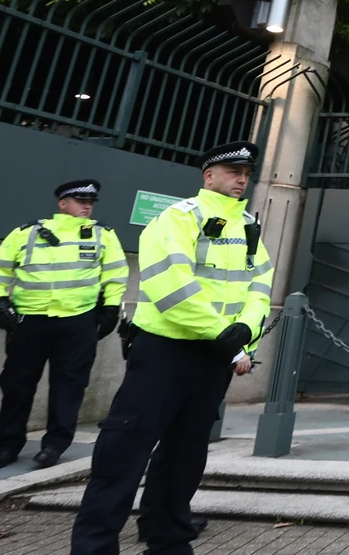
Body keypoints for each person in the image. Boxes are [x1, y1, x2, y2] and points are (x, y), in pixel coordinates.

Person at [71, 142, 274, 555]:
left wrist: (243, 335)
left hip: (214, 355)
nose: (241, 179)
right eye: (233, 171)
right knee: (124, 453)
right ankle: (94, 546)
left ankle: (168, 539)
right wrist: (226, 338)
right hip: (165, 350)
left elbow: (260, 287)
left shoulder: (249, 225)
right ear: (209, 176)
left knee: (185, 455)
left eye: (247, 173)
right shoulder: (179, 218)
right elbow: (171, 287)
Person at [0, 179, 128, 471]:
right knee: (16, 386)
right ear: (63, 203)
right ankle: (6, 446)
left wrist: (110, 308)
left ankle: (54, 446)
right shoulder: (27, 233)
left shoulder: (102, 235)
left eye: (91, 202)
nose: (87, 206)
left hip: (78, 321)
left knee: (69, 387)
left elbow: (116, 275)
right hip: (29, 321)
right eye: (80, 200)